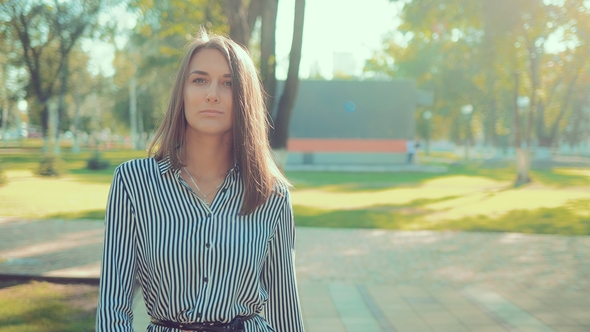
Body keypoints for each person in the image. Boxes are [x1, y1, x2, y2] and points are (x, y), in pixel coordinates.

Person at [96, 28, 304, 332]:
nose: (212, 94)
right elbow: (112, 304)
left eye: (228, 83)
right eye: (199, 80)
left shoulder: (270, 194)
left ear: (244, 98)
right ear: (182, 92)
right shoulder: (133, 183)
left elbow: (284, 306)